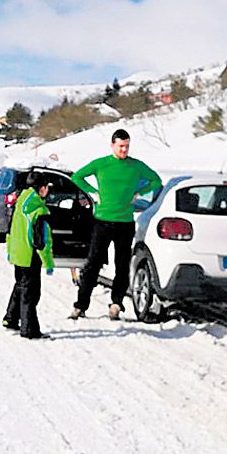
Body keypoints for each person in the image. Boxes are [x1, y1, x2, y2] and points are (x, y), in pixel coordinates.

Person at [70, 129, 162, 320]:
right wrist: (93, 193)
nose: (124, 150)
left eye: (127, 146)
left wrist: (140, 192)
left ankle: (116, 303)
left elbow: (156, 181)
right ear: (112, 145)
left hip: (125, 223)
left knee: (122, 265)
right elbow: (77, 177)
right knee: (92, 264)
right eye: (120, 146)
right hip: (102, 222)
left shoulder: (135, 166)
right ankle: (80, 305)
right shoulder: (101, 164)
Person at [3, 174, 55, 339]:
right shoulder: (39, 211)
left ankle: (10, 319)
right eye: (47, 187)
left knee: (20, 286)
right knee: (31, 294)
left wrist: (10, 252)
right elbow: (43, 242)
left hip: (18, 254)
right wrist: (48, 263)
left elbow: (10, 231)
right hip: (30, 257)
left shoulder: (21, 203)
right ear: (41, 189)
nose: (48, 191)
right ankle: (29, 330)